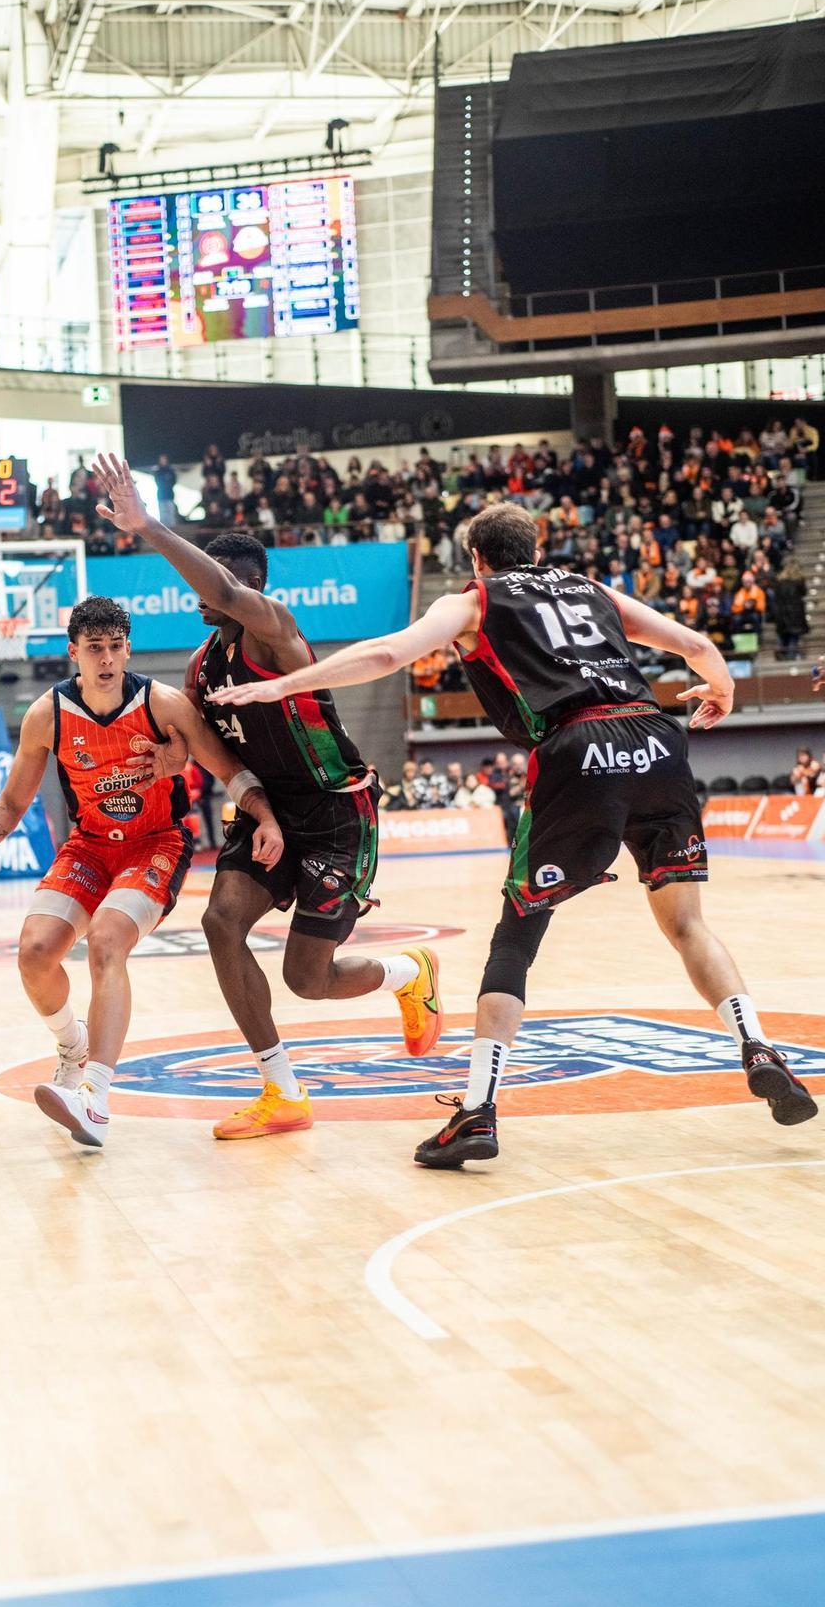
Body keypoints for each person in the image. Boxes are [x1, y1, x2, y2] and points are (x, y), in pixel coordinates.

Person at [213, 500, 818, 1166]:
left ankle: (477, 1113)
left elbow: (387, 651)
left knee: (517, 937)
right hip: (656, 739)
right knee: (688, 925)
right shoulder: (590, 588)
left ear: (477, 556)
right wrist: (723, 690)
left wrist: (284, 686)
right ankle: (758, 1046)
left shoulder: (475, 600)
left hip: (578, 747)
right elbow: (698, 648)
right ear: (535, 546)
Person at [91, 452, 442, 1142]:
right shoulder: (203, 664)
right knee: (221, 923)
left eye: (222, 589)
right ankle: (281, 1090)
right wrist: (176, 757)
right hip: (269, 810)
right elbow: (212, 747)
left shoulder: (276, 631)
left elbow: (220, 586)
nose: (205, 598)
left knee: (308, 979)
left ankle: (409, 971)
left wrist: (148, 527)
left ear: (249, 589)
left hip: (338, 812)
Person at [0, 596, 283, 1151]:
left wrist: (267, 817)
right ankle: (71, 1048)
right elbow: (11, 805)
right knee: (34, 951)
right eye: (94, 649)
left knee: (107, 941)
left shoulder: (165, 704)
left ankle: (96, 1098)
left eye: (114, 647)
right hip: (88, 847)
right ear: (73, 654)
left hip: (156, 843)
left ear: (127, 648)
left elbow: (229, 769)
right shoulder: (47, 715)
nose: (106, 659)